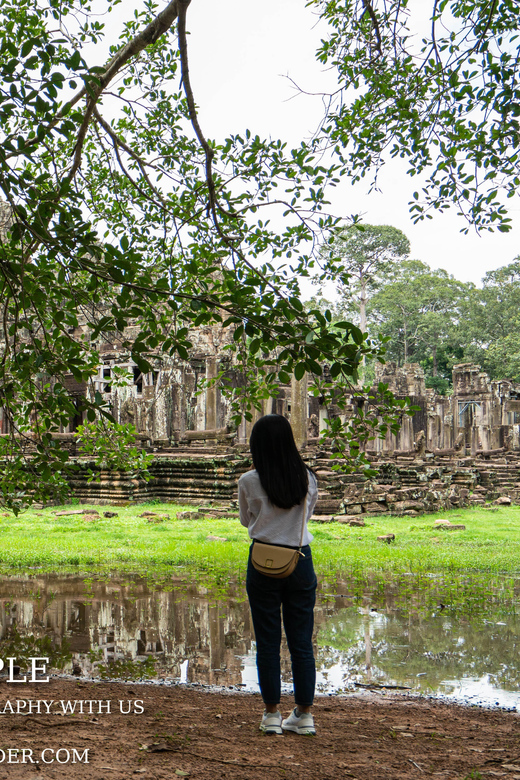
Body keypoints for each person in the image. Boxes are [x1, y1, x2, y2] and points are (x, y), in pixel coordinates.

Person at [238, 414, 318, 735]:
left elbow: (247, 521)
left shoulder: (248, 481)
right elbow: (307, 515)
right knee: (301, 642)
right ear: (289, 442)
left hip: (262, 562)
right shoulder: (308, 479)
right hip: (300, 560)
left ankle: (272, 714)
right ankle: (304, 714)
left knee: (267, 641)